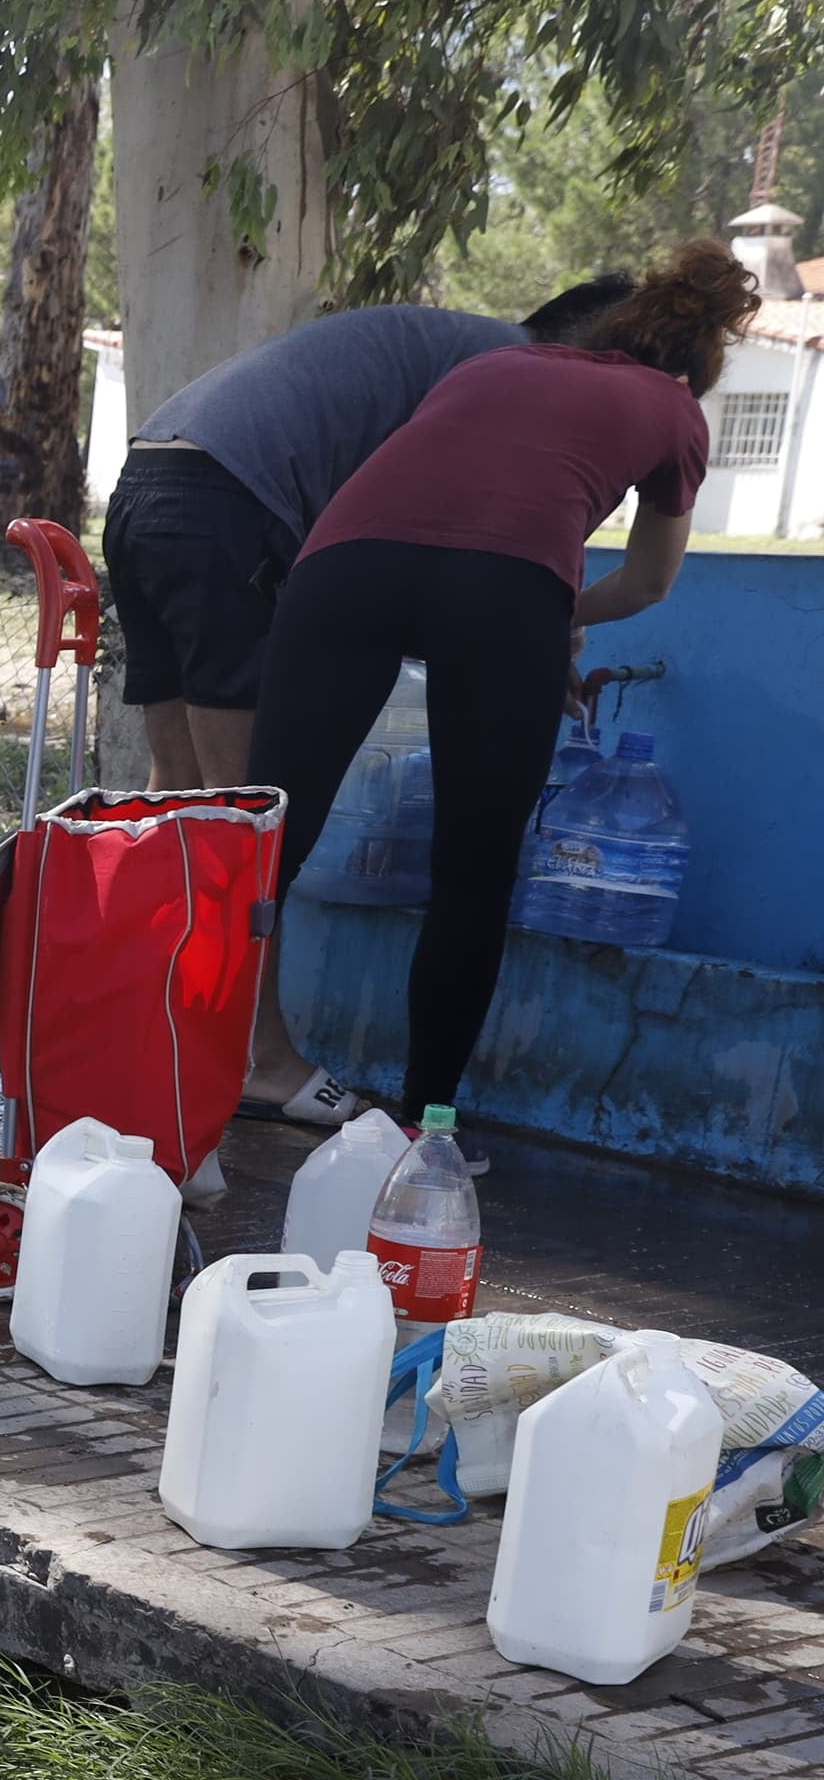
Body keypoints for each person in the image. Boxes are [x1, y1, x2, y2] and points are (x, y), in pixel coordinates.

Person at [245, 241, 754, 1125]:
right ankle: (425, 1130)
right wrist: (553, 617)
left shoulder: (497, 365)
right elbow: (648, 582)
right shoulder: (674, 412)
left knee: (263, 848)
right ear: (697, 363)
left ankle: (177, 1089)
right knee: (472, 876)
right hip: (502, 593)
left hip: (340, 570)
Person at [103, 275, 635, 1121]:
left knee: (185, 799)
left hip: (153, 481)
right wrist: (532, 642)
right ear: (598, 346)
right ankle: (262, 1061)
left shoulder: (457, 342)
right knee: (253, 820)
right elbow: (472, 544)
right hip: (239, 504)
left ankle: (150, 1032)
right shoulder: (518, 368)